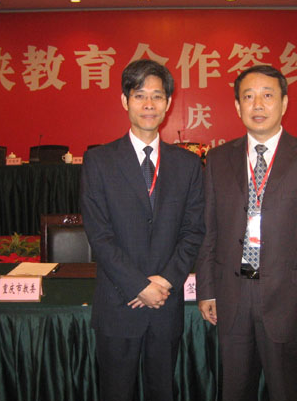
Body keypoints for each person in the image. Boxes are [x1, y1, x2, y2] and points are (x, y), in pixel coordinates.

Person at [195, 65, 297, 401]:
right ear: (237, 106)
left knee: (287, 391)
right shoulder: (218, 159)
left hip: (289, 298)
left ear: (284, 103)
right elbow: (208, 230)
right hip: (232, 296)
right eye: (248, 96)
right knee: (235, 391)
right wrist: (207, 288)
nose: (257, 104)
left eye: (267, 95)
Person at [81, 59, 205, 401]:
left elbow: (194, 231)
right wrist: (138, 285)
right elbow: (99, 235)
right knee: (115, 392)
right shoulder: (99, 162)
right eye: (139, 95)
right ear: (125, 101)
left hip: (166, 303)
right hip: (118, 302)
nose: (149, 104)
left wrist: (163, 282)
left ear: (168, 103)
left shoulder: (188, 164)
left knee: (162, 391)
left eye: (157, 96)